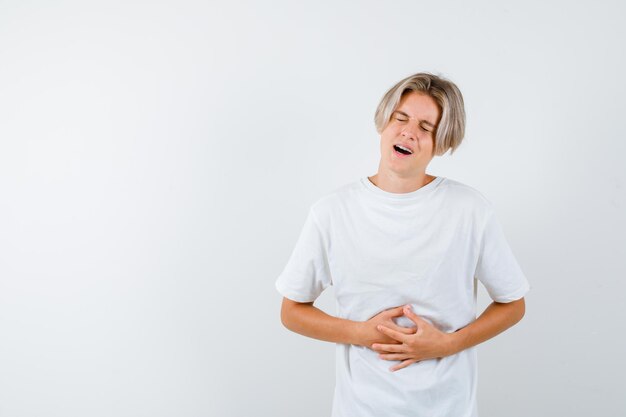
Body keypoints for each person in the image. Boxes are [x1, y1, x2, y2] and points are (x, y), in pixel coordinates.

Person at [275, 72, 530, 417]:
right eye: (401, 118)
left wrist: (449, 343)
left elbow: (513, 303)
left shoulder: (470, 210)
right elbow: (292, 312)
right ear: (384, 123)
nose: (410, 131)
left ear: (442, 142)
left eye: (426, 127)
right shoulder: (332, 213)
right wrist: (361, 333)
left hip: (448, 408)